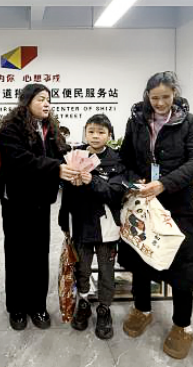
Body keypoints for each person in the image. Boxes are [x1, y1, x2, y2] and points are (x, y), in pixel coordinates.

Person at [118, 71, 193, 360]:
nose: (160, 103)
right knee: (141, 257)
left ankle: (182, 326)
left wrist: (165, 183)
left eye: (165, 97)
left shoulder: (189, 122)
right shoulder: (136, 121)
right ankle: (142, 309)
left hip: (178, 203)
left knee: (182, 264)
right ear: (147, 95)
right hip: (144, 201)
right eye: (154, 97)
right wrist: (137, 180)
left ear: (174, 95)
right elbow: (125, 158)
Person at [0, 83, 78, 331]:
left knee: (39, 255)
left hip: (41, 202)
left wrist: (78, 161)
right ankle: (17, 308)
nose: (46, 103)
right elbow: (20, 160)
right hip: (17, 202)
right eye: (41, 98)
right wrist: (56, 168)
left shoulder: (49, 127)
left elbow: (60, 152)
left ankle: (38, 306)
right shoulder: (10, 129)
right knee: (17, 255)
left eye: (48, 99)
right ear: (27, 101)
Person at [58, 114, 125, 340]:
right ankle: (84, 303)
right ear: (85, 133)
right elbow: (66, 196)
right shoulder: (75, 156)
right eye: (91, 131)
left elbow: (115, 193)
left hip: (108, 227)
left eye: (101, 132)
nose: (96, 136)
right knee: (82, 269)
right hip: (81, 225)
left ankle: (104, 309)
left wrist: (92, 180)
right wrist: (63, 221)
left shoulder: (116, 160)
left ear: (109, 135)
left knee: (107, 271)